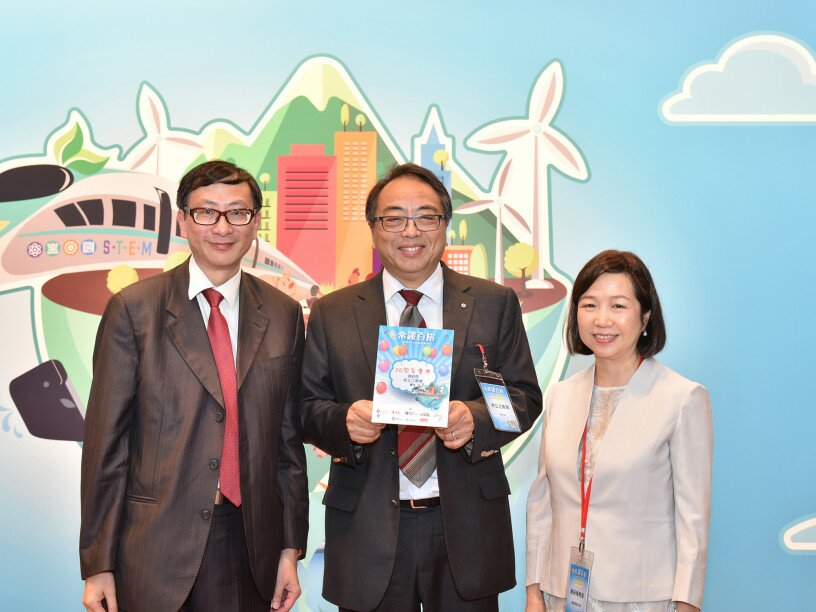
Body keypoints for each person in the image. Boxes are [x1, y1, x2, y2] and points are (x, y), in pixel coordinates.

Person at [299, 163, 542, 611]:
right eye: (393, 217)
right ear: (374, 229)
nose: (410, 230)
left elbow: (523, 399)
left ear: (445, 226)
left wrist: (477, 418)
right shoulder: (332, 312)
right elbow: (307, 407)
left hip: (464, 528)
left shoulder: (493, 303)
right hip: (367, 530)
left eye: (426, 216)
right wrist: (343, 421)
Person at [79, 160, 308, 612]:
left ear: (255, 223)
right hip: (153, 545)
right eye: (206, 212)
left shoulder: (283, 314)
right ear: (183, 220)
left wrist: (289, 548)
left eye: (237, 213)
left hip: (250, 545)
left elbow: (287, 442)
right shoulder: (134, 310)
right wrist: (98, 563)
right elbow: (106, 445)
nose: (222, 227)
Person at [526, 250, 712, 612]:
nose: (602, 320)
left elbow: (693, 519)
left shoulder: (682, 398)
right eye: (590, 305)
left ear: (645, 316)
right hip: (562, 591)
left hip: (641, 597)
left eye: (618, 306)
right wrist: (535, 591)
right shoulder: (561, 395)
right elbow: (542, 504)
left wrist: (687, 603)